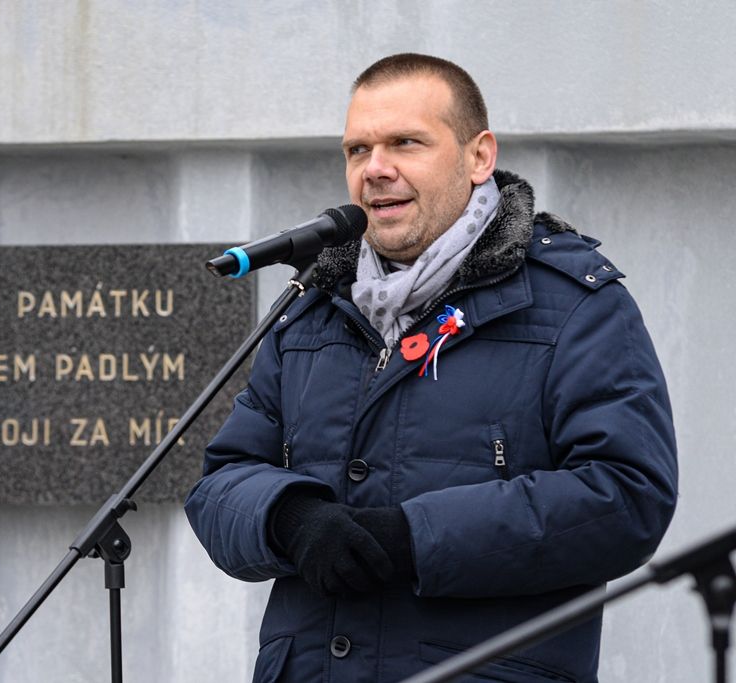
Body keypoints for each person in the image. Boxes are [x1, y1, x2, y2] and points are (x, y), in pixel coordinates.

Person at [184, 53, 678, 683]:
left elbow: (627, 496)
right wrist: (289, 518)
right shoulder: (312, 307)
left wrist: (413, 537)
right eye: (357, 149)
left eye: (405, 143)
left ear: (479, 156)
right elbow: (221, 482)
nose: (376, 169)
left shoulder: (577, 305)